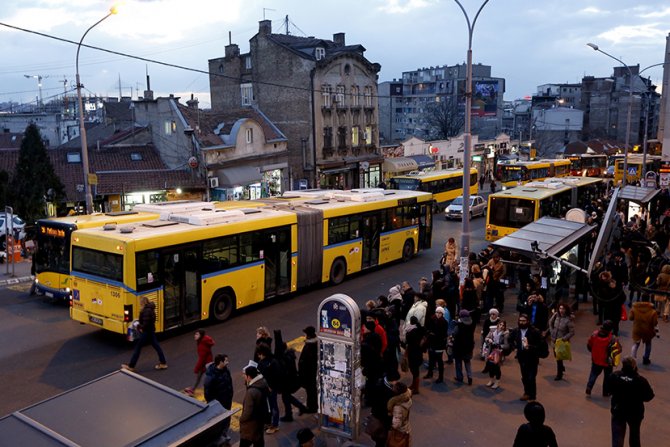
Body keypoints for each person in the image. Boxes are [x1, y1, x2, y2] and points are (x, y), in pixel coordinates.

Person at [609, 357, 655, 447]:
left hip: (618, 410)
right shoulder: (641, 380)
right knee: (634, 437)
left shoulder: (615, 376)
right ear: (634, 366)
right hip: (635, 413)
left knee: (617, 438)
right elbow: (649, 396)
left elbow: (608, 388)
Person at [122, 297, 167, 372]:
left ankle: (131, 366)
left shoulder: (146, 311)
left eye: (140, 303)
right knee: (156, 346)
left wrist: (138, 325)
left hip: (146, 332)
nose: (140, 305)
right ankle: (163, 363)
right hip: (150, 331)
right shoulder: (150, 309)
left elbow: (145, 324)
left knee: (138, 347)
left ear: (143, 303)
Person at [509, 313, 543, 401]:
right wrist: (514, 348)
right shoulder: (516, 331)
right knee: (524, 377)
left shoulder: (534, 331)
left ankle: (532, 395)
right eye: (520, 321)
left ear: (528, 321)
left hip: (532, 357)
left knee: (531, 377)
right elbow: (509, 339)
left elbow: (540, 345)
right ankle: (526, 392)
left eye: (524, 321)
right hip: (522, 357)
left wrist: (530, 347)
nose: (522, 322)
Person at [204, 354, 234, 444]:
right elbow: (207, 392)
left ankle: (224, 434)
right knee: (219, 421)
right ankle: (220, 436)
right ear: (220, 362)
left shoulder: (226, 370)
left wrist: (230, 395)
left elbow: (229, 383)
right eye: (226, 361)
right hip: (219, 403)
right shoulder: (211, 376)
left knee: (227, 419)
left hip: (227, 400)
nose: (228, 362)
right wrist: (213, 404)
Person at [240, 361, 270, 447]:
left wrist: (241, 419)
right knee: (259, 442)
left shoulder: (251, 392)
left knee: (245, 443)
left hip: (250, 426)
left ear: (249, 377)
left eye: (244, 375)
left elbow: (247, 412)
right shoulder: (263, 383)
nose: (243, 376)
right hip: (259, 422)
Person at [255, 344, 283, 434]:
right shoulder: (272, 361)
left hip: (270, 388)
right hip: (270, 387)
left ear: (262, 353)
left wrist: (270, 386)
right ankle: (272, 423)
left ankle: (275, 425)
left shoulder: (267, 363)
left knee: (273, 406)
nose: (258, 356)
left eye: (259, 354)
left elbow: (273, 376)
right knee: (271, 406)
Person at [586, 320, 615, 397]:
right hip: (607, 362)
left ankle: (589, 386)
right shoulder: (611, 338)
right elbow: (615, 351)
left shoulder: (594, 334)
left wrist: (593, 352)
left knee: (593, 373)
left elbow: (589, 345)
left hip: (596, 359)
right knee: (607, 377)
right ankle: (605, 392)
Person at [548, 302, 575, 381]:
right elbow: (550, 322)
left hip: (561, 341)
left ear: (566, 310)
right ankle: (561, 367)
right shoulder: (556, 315)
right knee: (557, 356)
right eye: (560, 308)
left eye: (563, 309)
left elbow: (572, 332)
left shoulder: (568, 320)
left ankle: (559, 374)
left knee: (558, 358)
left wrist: (564, 338)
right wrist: (551, 330)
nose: (561, 310)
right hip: (554, 340)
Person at [629, 295, 658, 365]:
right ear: (648, 300)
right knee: (648, 344)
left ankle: (632, 360)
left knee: (635, 344)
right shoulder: (653, 311)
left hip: (637, 329)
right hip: (647, 330)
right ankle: (646, 359)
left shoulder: (634, 308)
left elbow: (630, 318)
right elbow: (655, 323)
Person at [185, 329, 215, 396]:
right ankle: (192, 389)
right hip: (207, 362)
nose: (194, 336)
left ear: (201, 336)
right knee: (200, 376)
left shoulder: (202, 345)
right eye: (195, 334)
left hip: (206, 364)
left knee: (208, 379)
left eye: (197, 334)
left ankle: (193, 390)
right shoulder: (203, 341)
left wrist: (196, 368)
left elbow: (202, 358)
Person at [423, 306, 448, 383]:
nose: (438, 314)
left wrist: (433, 334)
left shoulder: (444, 322)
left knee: (439, 361)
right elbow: (429, 329)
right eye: (437, 312)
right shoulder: (432, 319)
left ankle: (441, 377)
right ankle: (430, 373)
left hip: (439, 344)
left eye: (440, 313)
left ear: (442, 313)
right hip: (432, 343)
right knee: (431, 359)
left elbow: (443, 334)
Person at [452, 309, 476, 385]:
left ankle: (460, 377)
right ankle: (470, 377)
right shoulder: (472, 324)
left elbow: (454, 334)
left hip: (459, 347)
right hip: (469, 346)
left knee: (458, 363)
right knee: (467, 362)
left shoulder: (459, 325)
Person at [298, 326, 318, 413]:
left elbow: (306, 362)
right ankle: (312, 406)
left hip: (309, 374)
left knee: (311, 391)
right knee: (311, 391)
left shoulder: (310, 346)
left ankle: (312, 408)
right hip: (310, 373)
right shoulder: (313, 344)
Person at [484, 319, 509, 389]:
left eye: (503, 325)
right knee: (490, 366)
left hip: (499, 353)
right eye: (500, 324)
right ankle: (491, 380)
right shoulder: (492, 330)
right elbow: (486, 337)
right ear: (498, 324)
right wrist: (489, 340)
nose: (501, 326)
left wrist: (500, 346)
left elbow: (507, 345)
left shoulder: (505, 334)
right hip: (491, 351)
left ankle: (497, 382)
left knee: (497, 368)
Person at [386, 381, 412, 447]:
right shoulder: (407, 398)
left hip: (400, 431)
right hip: (406, 427)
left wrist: (391, 426)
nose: (392, 388)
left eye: (394, 388)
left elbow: (396, 423)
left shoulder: (398, 407)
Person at [404, 315, 425, 395]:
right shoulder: (419, 329)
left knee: (414, 371)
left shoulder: (411, 331)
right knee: (415, 370)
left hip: (413, 353)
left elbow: (408, 342)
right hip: (418, 352)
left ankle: (416, 388)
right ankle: (414, 385)